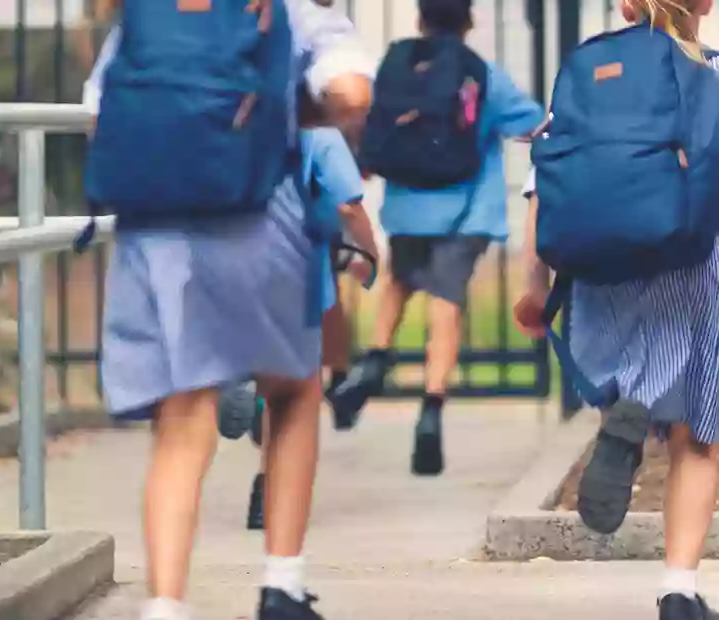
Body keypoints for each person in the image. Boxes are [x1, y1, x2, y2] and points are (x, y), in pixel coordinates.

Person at [83, 3, 375, 620]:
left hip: (156, 232)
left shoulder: (147, 15)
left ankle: (165, 605)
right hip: (259, 220)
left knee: (182, 419)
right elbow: (351, 91)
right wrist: (296, 112)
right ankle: (283, 587)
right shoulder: (293, 12)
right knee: (294, 391)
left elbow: (97, 116)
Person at [515, 1, 719, 617]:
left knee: (625, 371)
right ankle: (679, 592)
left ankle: (623, 406)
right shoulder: (710, 75)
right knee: (699, 441)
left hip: (602, 268)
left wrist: (534, 285)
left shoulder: (588, 70)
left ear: (626, 4)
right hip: (694, 261)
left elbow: (543, 185)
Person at [329, 0, 544, 477]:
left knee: (399, 282)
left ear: (420, 19)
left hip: (407, 207)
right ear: (468, 21)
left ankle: (377, 357)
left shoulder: (399, 64)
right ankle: (430, 410)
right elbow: (532, 124)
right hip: (465, 212)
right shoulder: (481, 73)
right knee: (446, 303)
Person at [220, 126, 378, 532]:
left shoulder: (226, 112)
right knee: (288, 389)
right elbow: (349, 208)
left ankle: (237, 383)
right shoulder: (320, 136)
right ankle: (265, 492)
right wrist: (369, 254)